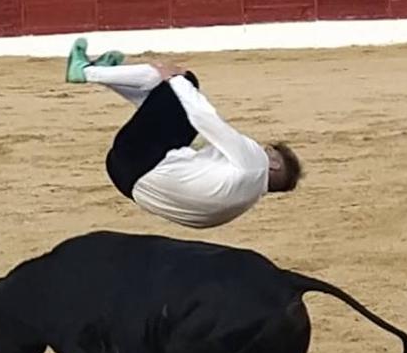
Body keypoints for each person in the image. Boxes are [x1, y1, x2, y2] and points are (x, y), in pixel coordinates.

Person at [64, 39, 304, 229]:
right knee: (172, 101)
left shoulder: (255, 162)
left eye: (268, 150)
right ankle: (101, 73)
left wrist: (175, 79)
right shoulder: (244, 199)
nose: (263, 149)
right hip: (126, 180)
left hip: (138, 159)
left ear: (273, 163)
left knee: (186, 82)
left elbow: (207, 120)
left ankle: (86, 72)